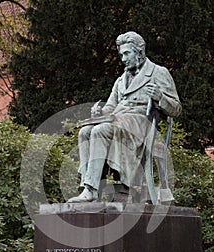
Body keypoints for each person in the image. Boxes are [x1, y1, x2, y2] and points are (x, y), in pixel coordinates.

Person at [68, 31, 182, 203]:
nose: (123, 58)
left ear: (140, 51)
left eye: (127, 53)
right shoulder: (121, 80)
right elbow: (110, 107)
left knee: (101, 129)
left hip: (140, 125)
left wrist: (160, 97)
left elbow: (176, 109)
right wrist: (99, 112)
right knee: (85, 132)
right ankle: (90, 187)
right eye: (121, 54)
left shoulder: (158, 72)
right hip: (118, 121)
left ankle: (90, 189)